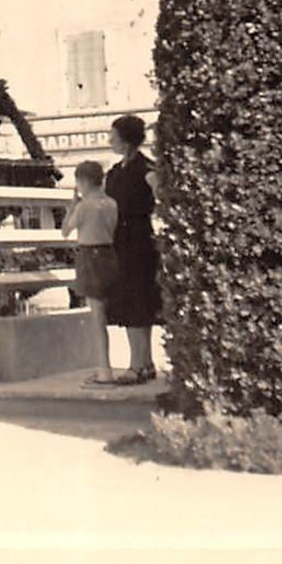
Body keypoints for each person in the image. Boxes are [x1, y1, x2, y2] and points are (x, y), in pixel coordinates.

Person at [103, 114, 163, 385]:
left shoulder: (145, 169)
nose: (110, 141)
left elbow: (161, 193)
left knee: (139, 301)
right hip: (120, 240)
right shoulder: (115, 172)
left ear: (126, 140)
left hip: (139, 240)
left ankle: (138, 365)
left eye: (113, 136)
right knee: (129, 302)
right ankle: (143, 363)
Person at [62, 160, 120, 385]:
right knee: (106, 313)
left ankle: (104, 369)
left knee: (96, 317)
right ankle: (106, 367)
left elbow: (66, 231)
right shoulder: (111, 203)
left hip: (89, 256)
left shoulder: (84, 206)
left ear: (83, 182)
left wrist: (71, 208)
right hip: (109, 253)